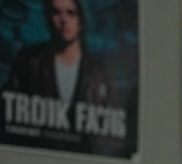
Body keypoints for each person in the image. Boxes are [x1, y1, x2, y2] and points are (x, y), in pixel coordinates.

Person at [1, 0, 117, 150]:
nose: (64, 20)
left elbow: (111, 129)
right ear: (48, 18)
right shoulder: (28, 61)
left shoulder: (99, 72)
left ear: (81, 20)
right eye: (56, 12)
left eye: (71, 13)